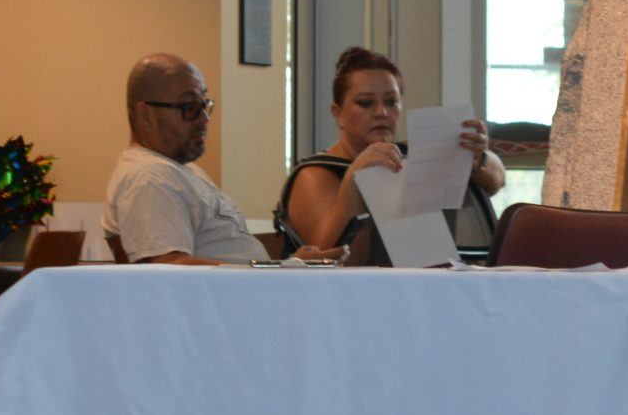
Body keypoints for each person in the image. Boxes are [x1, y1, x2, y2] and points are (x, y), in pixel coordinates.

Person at [274, 46, 506, 263]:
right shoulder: (315, 174)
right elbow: (333, 257)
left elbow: (496, 181)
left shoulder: (410, 154)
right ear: (338, 113)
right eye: (365, 103)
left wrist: (477, 158)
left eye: (391, 102)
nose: (381, 113)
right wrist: (354, 179)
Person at [106, 53, 269, 264]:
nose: (204, 119)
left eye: (204, 104)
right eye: (189, 107)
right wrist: (268, 272)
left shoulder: (178, 169)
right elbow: (170, 269)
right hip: (229, 295)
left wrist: (287, 265)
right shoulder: (149, 177)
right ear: (145, 115)